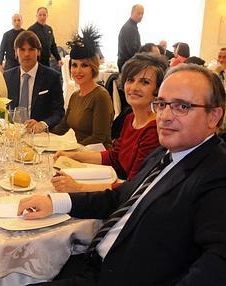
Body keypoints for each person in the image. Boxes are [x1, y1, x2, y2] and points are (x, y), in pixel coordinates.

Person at [19, 64, 226, 285]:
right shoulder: (165, 153)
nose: (165, 116)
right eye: (162, 104)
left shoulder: (216, 172)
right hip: (90, 263)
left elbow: (218, 263)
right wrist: (55, 202)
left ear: (213, 116)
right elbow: (119, 198)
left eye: (181, 106)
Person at [52, 53, 166, 192]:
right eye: (130, 80)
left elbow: (133, 187)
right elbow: (114, 156)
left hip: (125, 200)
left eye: (144, 82)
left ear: (157, 90)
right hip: (116, 183)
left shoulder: (153, 130)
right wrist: (72, 155)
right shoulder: (130, 118)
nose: (134, 87)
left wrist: (79, 187)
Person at [51, 26, 114, 148]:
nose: (77, 71)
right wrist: (41, 132)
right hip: (79, 152)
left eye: (84, 65)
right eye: (74, 65)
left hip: (97, 155)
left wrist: (70, 150)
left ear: (93, 67)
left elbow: (98, 138)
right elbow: (62, 127)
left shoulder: (101, 96)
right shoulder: (75, 96)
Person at [3, 30, 65, 132]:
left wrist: (43, 124)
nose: (26, 54)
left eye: (31, 49)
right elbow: (2, 108)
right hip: (13, 134)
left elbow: (59, 112)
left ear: (39, 52)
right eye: (22, 49)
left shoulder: (52, 77)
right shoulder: (7, 76)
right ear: (16, 52)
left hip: (39, 135)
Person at [117, 4, 144, 71]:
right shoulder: (129, 28)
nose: (141, 16)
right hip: (127, 64)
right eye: (138, 13)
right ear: (132, 13)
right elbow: (132, 50)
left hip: (127, 63)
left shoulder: (131, 26)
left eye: (142, 14)